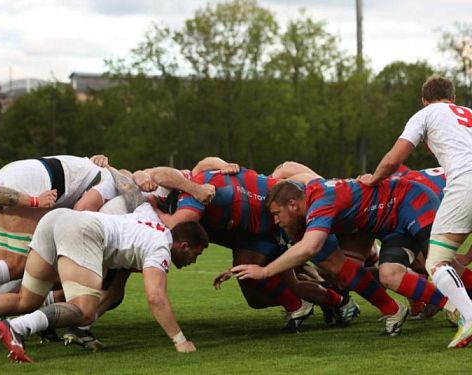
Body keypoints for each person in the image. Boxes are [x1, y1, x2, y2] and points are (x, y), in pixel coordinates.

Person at [0, 172, 209, 362]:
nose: (193, 261)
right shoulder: (161, 244)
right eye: (195, 255)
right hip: (83, 230)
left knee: (27, 299)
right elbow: (155, 297)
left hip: (57, 219)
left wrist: (108, 166)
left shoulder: (149, 217)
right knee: (85, 310)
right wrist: (179, 339)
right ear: (183, 245)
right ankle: (18, 328)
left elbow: (129, 187)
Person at [231, 169, 454, 336]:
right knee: (379, 274)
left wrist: (264, 271)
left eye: (277, 213)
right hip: (388, 222)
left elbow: (310, 247)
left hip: (411, 202)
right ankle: (398, 309)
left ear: (293, 205)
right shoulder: (309, 200)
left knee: (438, 263)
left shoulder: (320, 203)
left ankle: (459, 306)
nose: (276, 220)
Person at [153, 166, 356, 332]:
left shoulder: (189, 203)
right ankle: (327, 301)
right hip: (258, 228)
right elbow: (204, 162)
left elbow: (169, 212)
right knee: (257, 296)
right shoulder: (196, 181)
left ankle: (333, 302)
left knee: (324, 269)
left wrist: (149, 206)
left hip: (271, 224)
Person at [359, 76, 472, 347]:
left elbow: (394, 159)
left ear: (424, 100)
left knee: (437, 262)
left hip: (465, 181)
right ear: (453, 98)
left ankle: (468, 316)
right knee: (451, 259)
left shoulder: (425, 114)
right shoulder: (468, 113)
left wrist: (373, 179)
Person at [0, 155, 116, 315]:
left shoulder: (98, 170)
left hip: (18, 175)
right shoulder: (111, 181)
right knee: (17, 265)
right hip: (31, 182)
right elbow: (82, 209)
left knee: (6, 265)